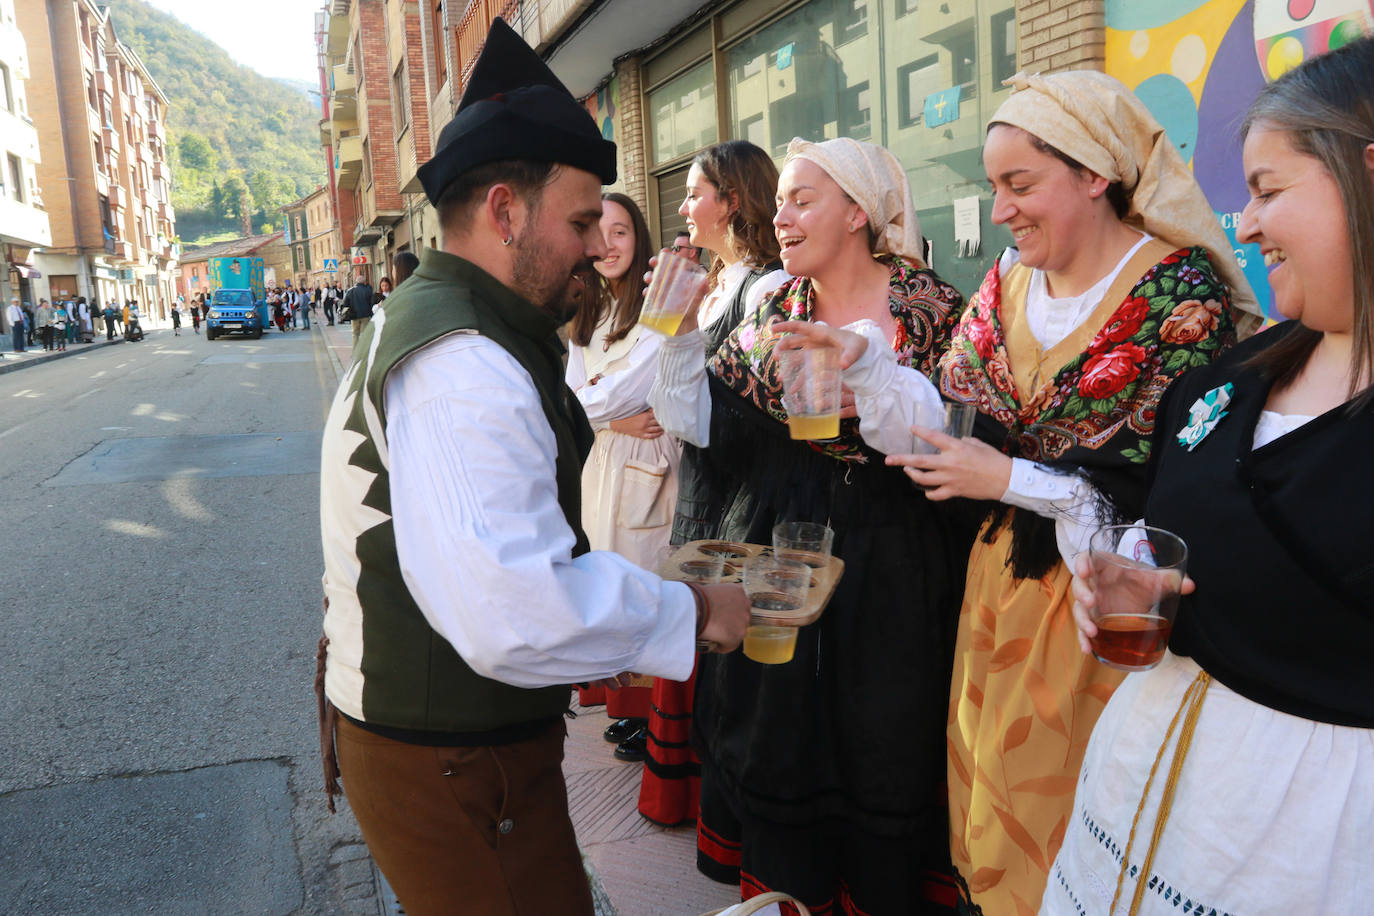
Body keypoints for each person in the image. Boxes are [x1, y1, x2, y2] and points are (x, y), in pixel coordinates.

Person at [781, 73, 1264, 913]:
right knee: (996, 814)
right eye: (993, 186)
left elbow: (1176, 491)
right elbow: (951, 425)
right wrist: (868, 367)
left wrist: (1008, 479)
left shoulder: (1176, 297)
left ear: (1094, 175)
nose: (1000, 210)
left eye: (1019, 184)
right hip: (1000, 591)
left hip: (1103, 610)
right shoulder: (1006, 283)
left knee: (1091, 824)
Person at [315, 19, 750, 916]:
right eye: (583, 219)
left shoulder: (456, 323)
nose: (598, 245)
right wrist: (695, 610)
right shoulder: (461, 367)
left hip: (454, 744)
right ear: (506, 211)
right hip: (453, 759)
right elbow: (517, 608)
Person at [1042, 37, 1374, 916]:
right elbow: (1186, 530)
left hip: (1301, 846)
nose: (1247, 222)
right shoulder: (1232, 376)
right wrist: (1145, 580)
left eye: (1268, 192)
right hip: (1146, 787)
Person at [653, 138, 974, 913]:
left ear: (859, 212)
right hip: (784, 538)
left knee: (884, 727)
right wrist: (675, 335)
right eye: (781, 200)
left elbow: (964, 437)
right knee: (778, 723)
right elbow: (703, 426)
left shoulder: (929, 309)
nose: (781, 216)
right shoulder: (772, 306)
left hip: (892, 552)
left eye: (803, 200)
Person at [638, 139, 790, 830]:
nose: (683, 205)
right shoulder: (722, 285)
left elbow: (716, 425)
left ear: (732, 201)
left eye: (696, 192)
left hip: (740, 499)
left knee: (731, 675)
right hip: (709, 492)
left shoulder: (768, 290)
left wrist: (677, 337)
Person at [565, 192, 680, 763]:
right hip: (606, 457)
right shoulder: (594, 309)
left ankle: (654, 716)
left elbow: (632, 382)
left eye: (621, 233)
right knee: (610, 576)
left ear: (639, 239)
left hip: (647, 460)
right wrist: (605, 413)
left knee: (641, 577)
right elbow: (576, 394)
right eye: (599, 234)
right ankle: (627, 709)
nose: (608, 246)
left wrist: (595, 406)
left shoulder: (656, 306)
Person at [342, 270, 374, 344]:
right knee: (364, 335)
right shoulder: (368, 290)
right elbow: (371, 302)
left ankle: (355, 352)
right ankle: (363, 352)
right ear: (364, 282)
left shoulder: (350, 291)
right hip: (365, 315)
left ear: (356, 282)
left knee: (355, 335)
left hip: (354, 315)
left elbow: (345, 304)